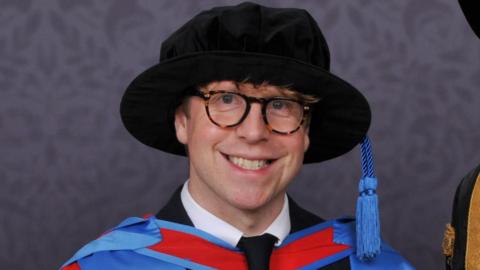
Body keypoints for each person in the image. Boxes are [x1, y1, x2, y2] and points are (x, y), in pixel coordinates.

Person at [61, 2, 413, 269]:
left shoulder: (369, 265)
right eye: (226, 99)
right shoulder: (105, 266)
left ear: (305, 130)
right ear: (182, 121)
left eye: (281, 103)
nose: (254, 132)